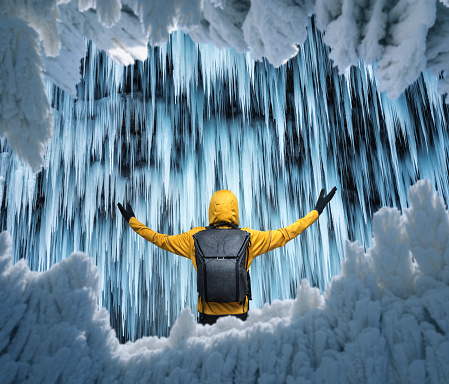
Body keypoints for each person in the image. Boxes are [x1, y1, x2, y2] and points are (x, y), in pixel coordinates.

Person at [118, 187, 336, 325]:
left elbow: (160, 239)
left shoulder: (193, 239)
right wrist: (316, 211)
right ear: (235, 211)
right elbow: (287, 233)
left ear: (212, 210)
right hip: (239, 319)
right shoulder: (250, 238)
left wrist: (132, 221)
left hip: (207, 319)